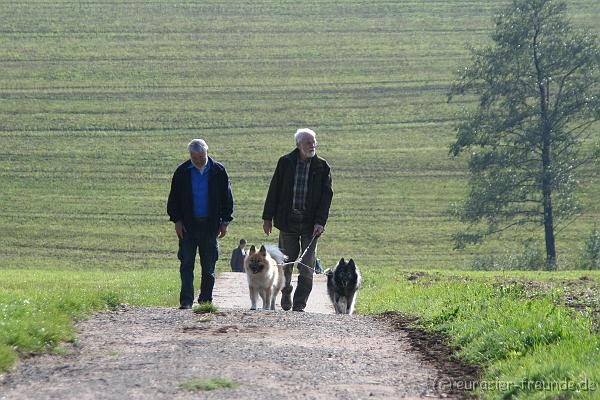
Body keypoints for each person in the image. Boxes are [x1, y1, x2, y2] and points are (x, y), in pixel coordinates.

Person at [262, 128, 333, 311]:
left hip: (311, 225)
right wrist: (267, 217)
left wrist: (320, 222)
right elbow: (274, 190)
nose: (313, 145)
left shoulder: (322, 167)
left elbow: (326, 198)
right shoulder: (285, 162)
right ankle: (286, 293)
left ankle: (300, 303)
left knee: (307, 265)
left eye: (314, 141)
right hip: (287, 222)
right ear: (299, 145)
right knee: (286, 263)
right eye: (309, 142)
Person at [167, 139, 233, 309]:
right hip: (188, 227)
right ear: (190, 156)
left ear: (207, 153)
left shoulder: (218, 171)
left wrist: (225, 222)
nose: (198, 161)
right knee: (186, 264)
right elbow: (173, 200)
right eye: (194, 157)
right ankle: (186, 301)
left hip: (210, 226)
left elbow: (227, 198)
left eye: (201, 157)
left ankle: (205, 301)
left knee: (209, 266)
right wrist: (177, 221)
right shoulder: (182, 172)